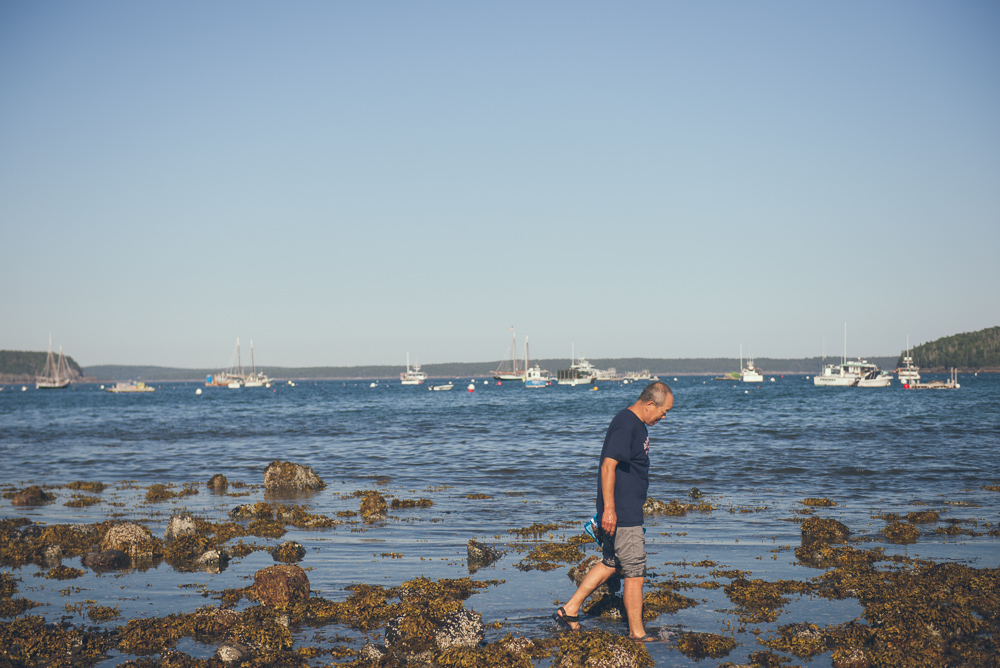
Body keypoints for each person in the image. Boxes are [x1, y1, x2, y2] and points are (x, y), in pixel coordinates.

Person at [553, 381, 674, 642]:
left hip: (621, 511)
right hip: (622, 514)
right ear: (650, 404)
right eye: (664, 411)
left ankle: (569, 610)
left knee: (611, 563)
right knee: (635, 572)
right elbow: (608, 466)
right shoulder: (626, 424)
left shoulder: (636, 424)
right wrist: (609, 510)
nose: (664, 417)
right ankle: (637, 633)